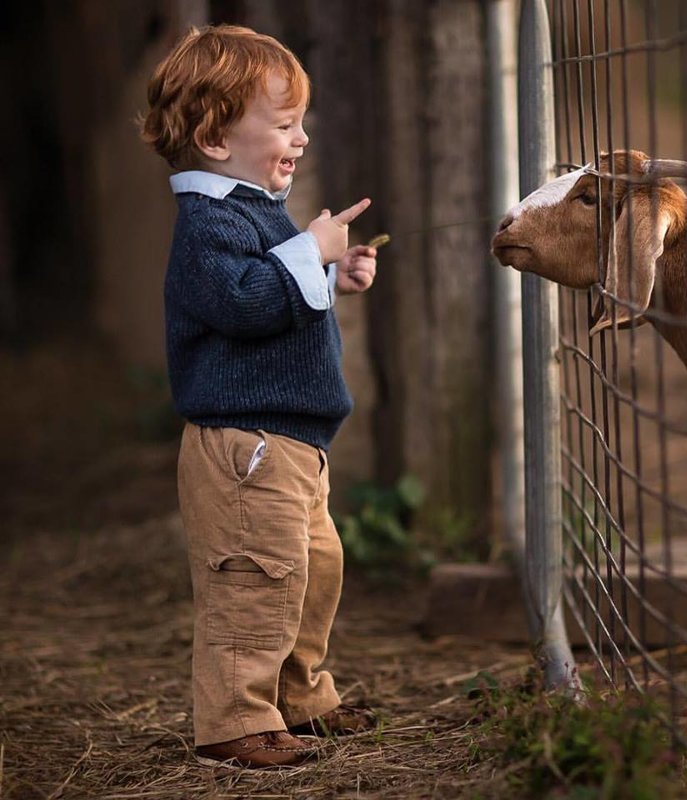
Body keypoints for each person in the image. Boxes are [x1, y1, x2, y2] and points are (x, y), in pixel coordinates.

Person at [140, 23, 379, 768]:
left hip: (290, 443)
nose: (300, 138)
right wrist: (311, 252)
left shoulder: (250, 208)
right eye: (283, 124)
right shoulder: (208, 224)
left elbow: (270, 293)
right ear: (215, 136)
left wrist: (333, 276)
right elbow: (244, 302)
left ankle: (297, 700)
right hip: (246, 446)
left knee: (310, 571)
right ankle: (236, 721)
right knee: (254, 580)